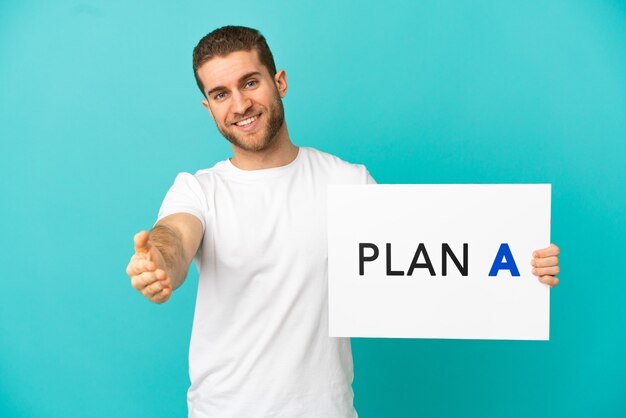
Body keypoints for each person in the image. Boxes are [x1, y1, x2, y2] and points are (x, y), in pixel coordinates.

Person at [125, 26, 561, 418]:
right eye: (221, 94)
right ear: (208, 107)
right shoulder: (198, 190)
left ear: (280, 82)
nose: (240, 104)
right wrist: (159, 260)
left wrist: (522, 264)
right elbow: (175, 237)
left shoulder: (347, 181)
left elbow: (430, 264)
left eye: (250, 83)